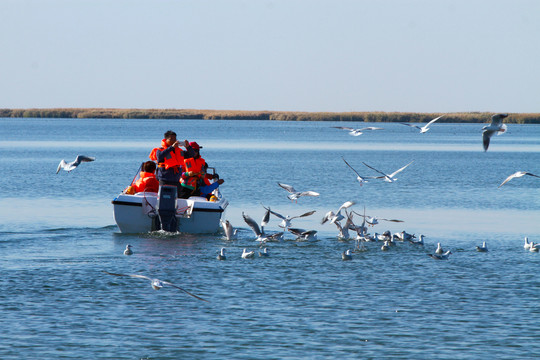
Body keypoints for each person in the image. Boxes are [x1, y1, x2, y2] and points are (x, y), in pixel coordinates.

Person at [149, 130, 194, 196]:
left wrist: (188, 146)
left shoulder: (179, 151)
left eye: (175, 139)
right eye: (171, 139)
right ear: (166, 140)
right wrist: (172, 147)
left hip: (176, 180)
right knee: (164, 198)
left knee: (176, 199)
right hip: (164, 180)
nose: (174, 141)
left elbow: (192, 154)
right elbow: (159, 157)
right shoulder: (160, 150)